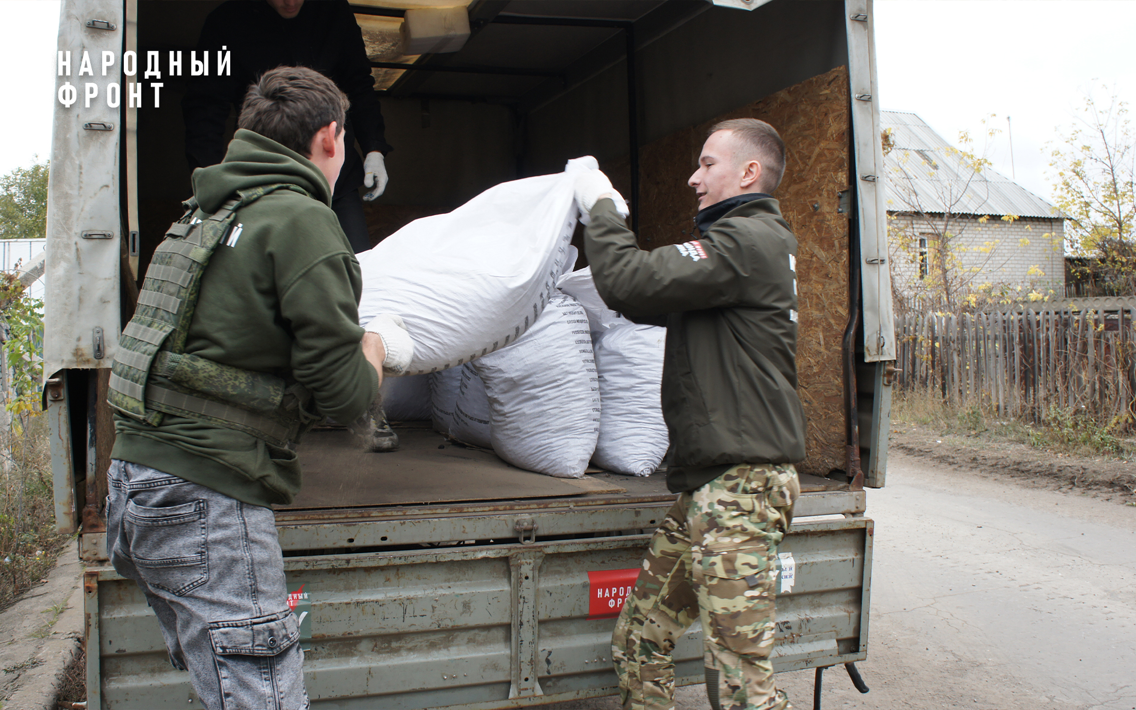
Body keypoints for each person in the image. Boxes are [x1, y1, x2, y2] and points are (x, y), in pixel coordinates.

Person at [106, 66, 412, 710]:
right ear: (331, 138)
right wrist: (377, 346)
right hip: (207, 498)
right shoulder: (301, 220)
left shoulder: (203, 213)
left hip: (135, 490)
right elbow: (346, 397)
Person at [573, 118, 806, 710]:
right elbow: (648, 297)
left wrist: (601, 207)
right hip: (710, 486)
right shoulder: (742, 249)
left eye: (707, 164)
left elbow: (630, 281)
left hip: (742, 489)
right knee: (640, 636)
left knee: (740, 682)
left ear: (748, 172)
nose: (692, 177)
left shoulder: (748, 241)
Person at [183, 0, 392, 254]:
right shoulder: (226, 22)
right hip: (265, 179)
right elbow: (205, 105)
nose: (290, 2)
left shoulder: (334, 11)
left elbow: (359, 83)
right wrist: (214, 181)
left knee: (356, 264)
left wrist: (374, 147)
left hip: (336, 177)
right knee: (276, 268)